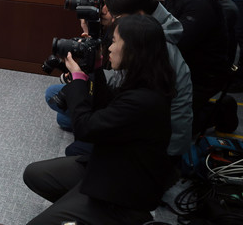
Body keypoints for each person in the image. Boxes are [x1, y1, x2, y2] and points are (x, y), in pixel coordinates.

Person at [25, 14, 176, 225]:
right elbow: (107, 108)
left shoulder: (145, 99)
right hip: (109, 165)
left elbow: (86, 128)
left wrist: (77, 81)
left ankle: (119, 219)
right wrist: (95, 67)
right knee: (34, 174)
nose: (110, 48)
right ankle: (81, 211)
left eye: (114, 42)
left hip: (122, 194)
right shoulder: (145, 79)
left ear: (134, 49)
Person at [45, 0, 192, 158]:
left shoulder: (153, 48)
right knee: (61, 106)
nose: (104, 12)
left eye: (114, 13)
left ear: (138, 15)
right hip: (139, 115)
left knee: (75, 141)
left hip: (159, 146)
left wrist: (81, 80)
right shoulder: (144, 33)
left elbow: (118, 99)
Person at [159, 0, 230, 125]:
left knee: (166, 123)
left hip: (200, 76)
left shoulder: (201, 2)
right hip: (184, 65)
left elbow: (178, 40)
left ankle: (221, 110)